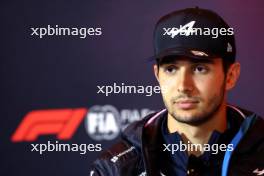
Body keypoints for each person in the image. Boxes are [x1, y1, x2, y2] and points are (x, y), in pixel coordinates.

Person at [90, 7, 264, 176]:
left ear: (230, 76)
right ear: (158, 75)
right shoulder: (118, 168)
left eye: (199, 68)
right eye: (171, 69)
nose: (183, 86)